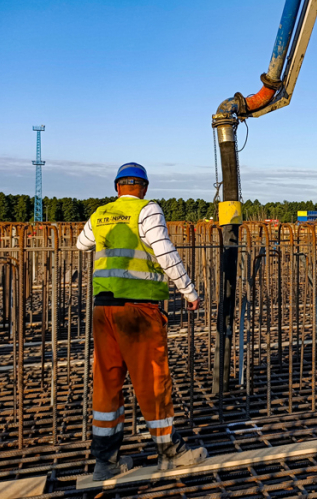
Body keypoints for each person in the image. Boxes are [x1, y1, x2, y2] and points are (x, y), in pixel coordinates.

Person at [76, 163, 208, 480]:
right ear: (144, 188)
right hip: (137, 311)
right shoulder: (148, 211)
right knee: (152, 381)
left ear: (116, 187)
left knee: (107, 385)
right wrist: (189, 291)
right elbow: (165, 252)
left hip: (102, 310)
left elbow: (82, 243)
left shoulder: (101, 213)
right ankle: (171, 453)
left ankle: (105, 463)